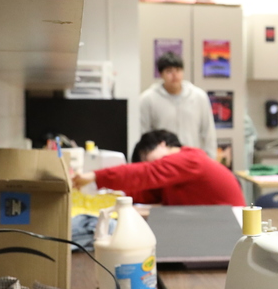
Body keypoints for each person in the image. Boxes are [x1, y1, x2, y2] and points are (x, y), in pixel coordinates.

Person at [72, 129, 244, 206]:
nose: (148, 164)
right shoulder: (179, 170)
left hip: (228, 226)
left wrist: (96, 176)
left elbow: (146, 174)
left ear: (162, 144)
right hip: (217, 222)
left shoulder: (189, 159)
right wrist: (113, 193)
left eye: (148, 158)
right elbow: (148, 190)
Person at [139, 51, 217, 157]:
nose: (175, 75)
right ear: (161, 74)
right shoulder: (148, 99)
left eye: (178, 70)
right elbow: (143, 133)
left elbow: (208, 131)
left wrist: (211, 159)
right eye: (169, 71)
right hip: (163, 160)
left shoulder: (199, 97)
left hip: (192, 158)